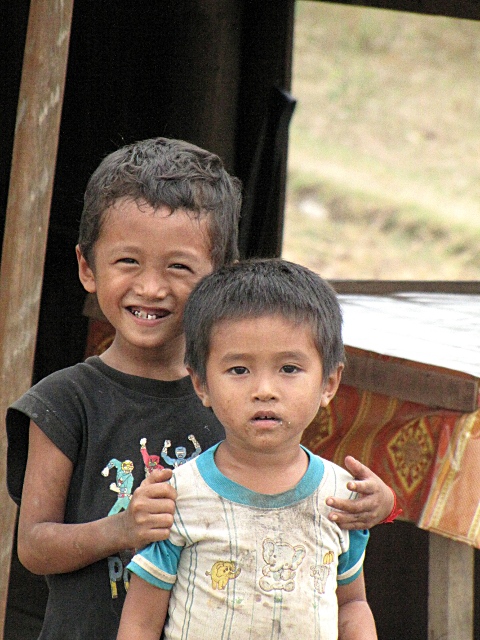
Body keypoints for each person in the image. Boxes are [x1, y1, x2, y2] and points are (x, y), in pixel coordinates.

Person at [6, 138, 393, 640]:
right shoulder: (65, 401)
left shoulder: (235, 392)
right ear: (87, 268)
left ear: (218, 277)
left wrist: (373, 506)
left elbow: (299, 492)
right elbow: (34, 547)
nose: (151, 287)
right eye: (127, 262)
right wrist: (120, 530)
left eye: (179, 267)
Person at [118, 259, 378, 640]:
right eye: (239, 370)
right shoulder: (178, 497)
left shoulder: (341, 498)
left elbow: (352, 604)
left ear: (329, 383)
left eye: (289, 369)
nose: (264, 390)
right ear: (201, 384)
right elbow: (141, 622)